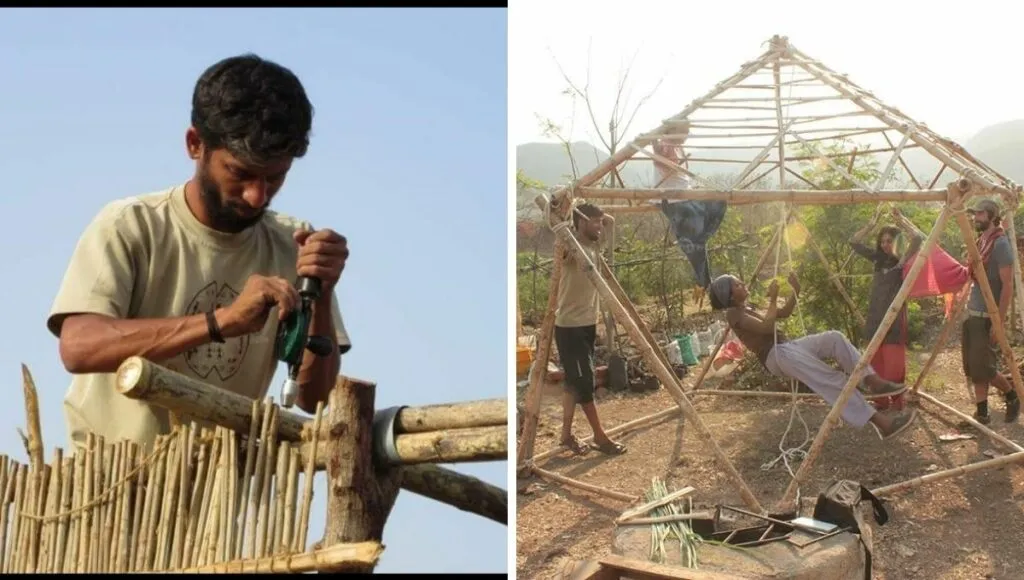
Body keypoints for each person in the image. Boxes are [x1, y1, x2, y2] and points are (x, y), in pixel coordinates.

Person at [48, 54, 352, 453]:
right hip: (109, 487)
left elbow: (315, 399)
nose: (257, 195)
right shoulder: (130, 225)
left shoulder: (293, 245)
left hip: (216, 500)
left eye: (275, 177)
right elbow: (79, 347)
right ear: (195, 144)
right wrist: (222, 321)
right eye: (240, 173)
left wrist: (323, 293)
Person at [708, 272, 917, 440]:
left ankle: (872, 380)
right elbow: (767, 327)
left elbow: (784, 313)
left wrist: (795, 291)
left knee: (834, 338)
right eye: (737, 284)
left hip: (786, 347)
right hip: (776, 355)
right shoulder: (734, 314)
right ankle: (883, 423)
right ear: (729, 295)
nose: (743, 283)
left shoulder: (747, 307)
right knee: (831, 379)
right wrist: (772, 298)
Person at [554, 202, 626, 456]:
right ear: (581, 222)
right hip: (569, 326)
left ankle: (565, 435)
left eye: (599, 221)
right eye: (594, 222)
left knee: (574, 382)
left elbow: (611, 222)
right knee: (585, 382)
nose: (600, 226)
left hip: (586, 324)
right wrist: (570, 212)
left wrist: (597, 217)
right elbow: (562, 233)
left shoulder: (591, 248)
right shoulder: (571, 249)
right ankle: (599, 436)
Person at [848, 207, 923, 411]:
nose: (885, 245)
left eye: (889, 241)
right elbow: (854, 242)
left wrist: (901, 220)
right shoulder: (878, 260)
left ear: (897, 242)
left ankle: (898, 401)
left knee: (893, 363)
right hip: (875, 316)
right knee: (875, 361)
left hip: (894, 319)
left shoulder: (902, 261)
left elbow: (918, 238)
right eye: (882, 242)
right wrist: (870, 226)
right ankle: (880, 400)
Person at [960, 198, 1020, 425]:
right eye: (975, 214)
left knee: (983, 366)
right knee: (973, 366)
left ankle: (1012, 395)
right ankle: (982, 413)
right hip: (973, 313)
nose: (976, 218)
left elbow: (1007, 286)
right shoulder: (982, 240)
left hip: (987, 316)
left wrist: (999, 321)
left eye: (981, 214)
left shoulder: (1000, 244)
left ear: (992, 217)